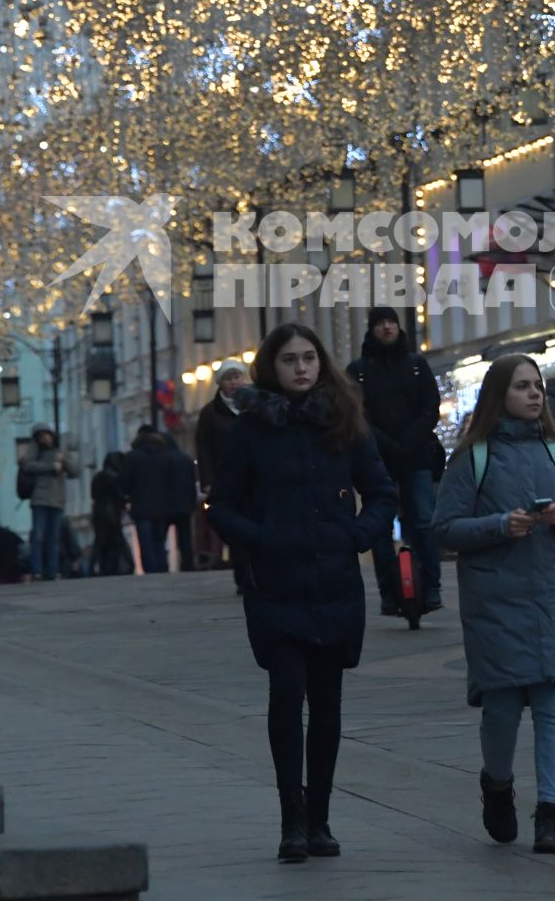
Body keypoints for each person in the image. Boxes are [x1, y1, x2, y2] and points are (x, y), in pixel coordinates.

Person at [206, 323, 396, 863]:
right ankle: (292, 820)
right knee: (286, 696)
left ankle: (321, 819)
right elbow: (222, 506)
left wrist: (355, 536)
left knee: (328, 703)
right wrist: (260, 541)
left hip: (334, 581)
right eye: (289, 359)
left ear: (322, 363)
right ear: (272, 366)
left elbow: (382, 491)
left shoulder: (344, 421)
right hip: (277, 584)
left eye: (309, 358)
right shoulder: (252, 430)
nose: (301, 368)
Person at [434, 355, 555, 856]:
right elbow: (444, 529)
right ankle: (498, 785)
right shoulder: (472, 457)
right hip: (495, 602)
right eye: (523, 386)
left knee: (553, 707)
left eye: (538, 387)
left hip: (554, 597)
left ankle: (551, 813)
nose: (534, 395)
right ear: (498, 394)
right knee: (502, 708)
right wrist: (499, 526)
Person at [348, 306, 445, 616]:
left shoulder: (416, 365)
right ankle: (388, 593)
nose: (387, 328)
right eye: (381, 323)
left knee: (424, 521)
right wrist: (386, 443)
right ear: (372, 329)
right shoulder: (358, 371)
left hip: (416, 456)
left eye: (391, 322)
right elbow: (356, 414)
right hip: (377, 460)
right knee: (379, 527)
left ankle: (432, 588)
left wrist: (410, 439)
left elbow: (431, 407)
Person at [195, 362, 249, 578]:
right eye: (229, 378)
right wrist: (207, 480)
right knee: (235, 527)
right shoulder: (210, 412)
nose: (234, 382)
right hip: (226, 478)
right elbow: (203, 448)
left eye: (237, 376)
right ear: (220, 383)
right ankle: (242, 574)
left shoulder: (254, 405)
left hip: (255, 476)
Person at [19, 423, 72, 581]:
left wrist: (64, 461)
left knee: (53, 538)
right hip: (40, 499)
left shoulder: (59, 451)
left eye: (46, 435)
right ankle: (37, 570)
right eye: (41, 436)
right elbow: (27, 465)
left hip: (56, 500)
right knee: (38, 537)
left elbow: (75, 470)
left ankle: (53, 570)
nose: (45, 438)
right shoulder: (34, 451)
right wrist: (50, 467)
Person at [123, 425, 174, 573]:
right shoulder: (165, 455)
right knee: (159, 540)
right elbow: (171, 481)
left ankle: (151, 570)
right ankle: (162, 567)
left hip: (141, 506)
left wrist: (128, 494)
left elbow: (124, 482)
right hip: (162, 505)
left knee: (146, 542)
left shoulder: (132, 456)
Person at [90, 454, 133, 577]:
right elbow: (120, 495)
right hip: (112, 514)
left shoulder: (97, 477)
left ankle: (94, 568)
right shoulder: (114, 477)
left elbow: (93, 495)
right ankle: (129, 564)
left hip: (98, 513)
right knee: (118, 542)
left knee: (100, 543)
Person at [163, 432, 200, 572]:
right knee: (185, 538)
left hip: (167, 505)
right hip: (185, 505)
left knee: (161, 537)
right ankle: (188, 564)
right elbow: (192, 482)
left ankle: (163, 565)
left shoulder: (163, 459)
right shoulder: (186, 459)